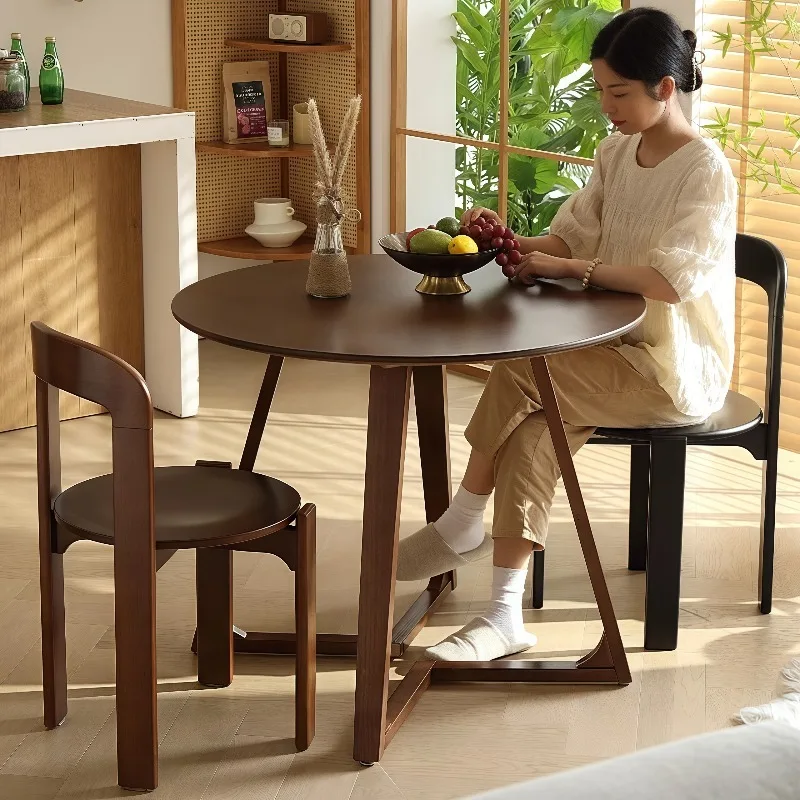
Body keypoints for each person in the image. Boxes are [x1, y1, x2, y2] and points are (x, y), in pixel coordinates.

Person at [396, 7, 738, 661]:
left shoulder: (705, 171)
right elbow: (570, 238)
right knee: (529, 435)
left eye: (619, 93)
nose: (607, 107)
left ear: (665, 87)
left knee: (524, 370)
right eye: (602, 90)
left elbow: (669, 281)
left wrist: (573, 268)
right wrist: (506, 237)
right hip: (608, 351)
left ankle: (461, 522)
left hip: (672, 369)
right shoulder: (615, 152)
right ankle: (504, 618)